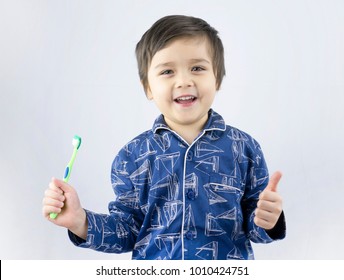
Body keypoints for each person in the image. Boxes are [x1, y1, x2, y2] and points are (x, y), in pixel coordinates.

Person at [42, 15, 286, 260]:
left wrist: (268, 220)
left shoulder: (244, 148)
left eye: (198, 68)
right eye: (168, 71)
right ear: (148, 87)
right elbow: (127, 231)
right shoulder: (132, 156)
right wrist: (80, 222)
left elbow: (256, 228)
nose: (184, 81)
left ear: (217, 78)